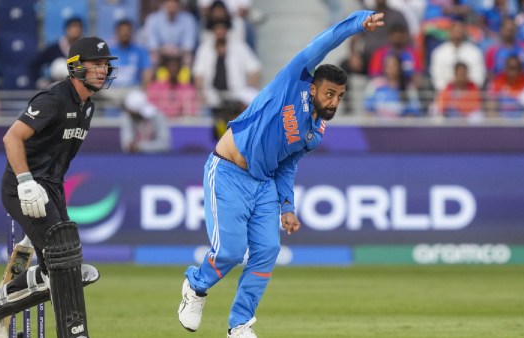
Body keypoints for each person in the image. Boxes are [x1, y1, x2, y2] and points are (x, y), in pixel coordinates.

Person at [177, 10, 384, 338]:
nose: (334, 101)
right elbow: (325, 41)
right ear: (314, 88)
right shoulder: (294, 80)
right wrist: (359, 23)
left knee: (267, 252)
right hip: (229, 170)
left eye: (340, 97)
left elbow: (288, 164)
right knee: (230, 252)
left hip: (263, 185)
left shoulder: (316, 133)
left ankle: (239, 324)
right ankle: (196, 286)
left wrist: (287, 206)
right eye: (329, 93)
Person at [0, 36, 118, 338]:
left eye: (105, 64)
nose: (102, 70)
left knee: (61, 269)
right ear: (76, 67)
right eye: (95, 64)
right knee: (64, 268)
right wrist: (26, 183)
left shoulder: (87, 106)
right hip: (21, 187)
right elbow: (11, 137)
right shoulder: (53, 99)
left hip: (52, 188)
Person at [121, 89, 171, 153]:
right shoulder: (128, 118)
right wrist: (133, 146)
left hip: (157, 158)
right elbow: (127, 145)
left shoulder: (157, 116)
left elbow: (164, 144)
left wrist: (140, 147)